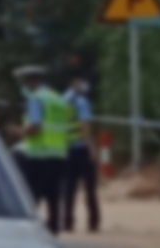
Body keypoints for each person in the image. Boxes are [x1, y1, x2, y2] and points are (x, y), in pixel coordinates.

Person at [14, 65, 75, 235]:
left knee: (33, 194)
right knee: (53, 193)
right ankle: (54, 226)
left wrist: (19, 131)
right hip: (59, 153)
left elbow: (35, 126)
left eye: (24, 83)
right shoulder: (58, 98)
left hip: (39, 153)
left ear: (31, 82)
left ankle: (29, 228)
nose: (24, 87)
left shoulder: (36, 98)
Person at [62, 74, 99, 233]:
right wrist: (92, 146)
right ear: (75, 82)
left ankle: (68, 221)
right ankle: (93, 221)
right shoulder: (82, 101)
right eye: (82, 82)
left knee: (69, 187)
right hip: (82, 148)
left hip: (67, 148)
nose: (84, 85)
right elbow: (85, 124)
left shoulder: (63, 100)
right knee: (89, 187)